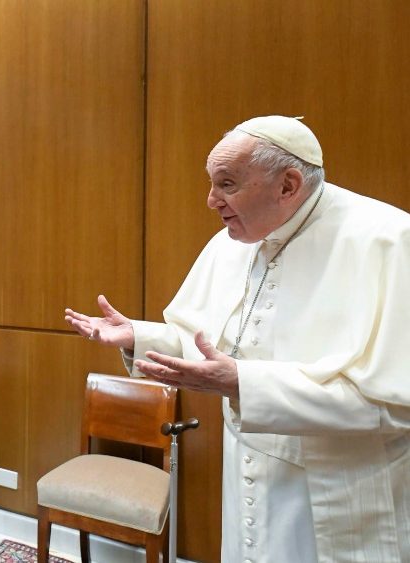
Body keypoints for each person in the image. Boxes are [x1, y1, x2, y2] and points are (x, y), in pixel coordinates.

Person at [64, 116, 410, 562]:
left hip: (334, 495)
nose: (211, 201)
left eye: (226, 184)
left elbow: (395, 405)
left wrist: (242, 384)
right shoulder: (233, 242)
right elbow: (207, 345)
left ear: (288, 185)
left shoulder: (388, 240)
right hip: (248, 476)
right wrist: (139, 335)